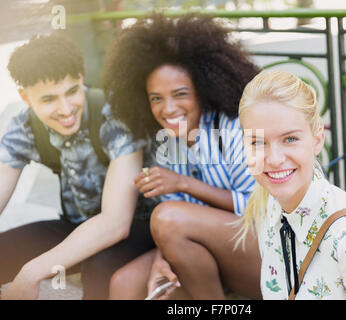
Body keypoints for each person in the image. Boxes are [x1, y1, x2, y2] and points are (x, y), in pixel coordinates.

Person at [103, 14, 262, 299]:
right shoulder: (167, 142)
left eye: (180, 94)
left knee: (167, 217)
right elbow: (175, 229)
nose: (168, 108)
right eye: (156, 98)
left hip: (265, 250)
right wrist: (164, 260)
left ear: (202, 90)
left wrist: (183, 183)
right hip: (205, 255)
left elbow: (258, 208)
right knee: (124, 283)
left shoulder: (234, 126)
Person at [0, 33, 158, 299]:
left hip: (135, 228)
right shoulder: (24, 126)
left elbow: (115, 223)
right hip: (75, 226)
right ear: (25, 97)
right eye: (49, 99)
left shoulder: (114, 116)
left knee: (99, 271)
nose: (65, 109)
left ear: (82, 76)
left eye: (72, 91)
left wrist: (31, 272)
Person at [236, 69, 346, 300]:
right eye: (258, 142)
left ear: (317, 139)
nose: (275, 158)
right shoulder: (270, 206)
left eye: (290, 139)